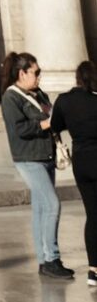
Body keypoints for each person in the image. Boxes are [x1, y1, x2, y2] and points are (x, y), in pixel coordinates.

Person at [0, 50, 72, 278]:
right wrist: (45, 124)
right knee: (52, 205)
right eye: (36, 72)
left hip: (46, 155)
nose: (39, 77)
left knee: (41, 208)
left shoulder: (39, 94)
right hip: (28, 158)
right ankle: (52, 258)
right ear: (21, 73)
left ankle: (44, 261)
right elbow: (19, 129)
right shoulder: (11, 98)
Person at [51, 60, 97, 287]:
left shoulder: (64, 101)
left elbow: (55, 126)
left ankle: (93, 271)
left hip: (81, 162)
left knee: (92, 215)